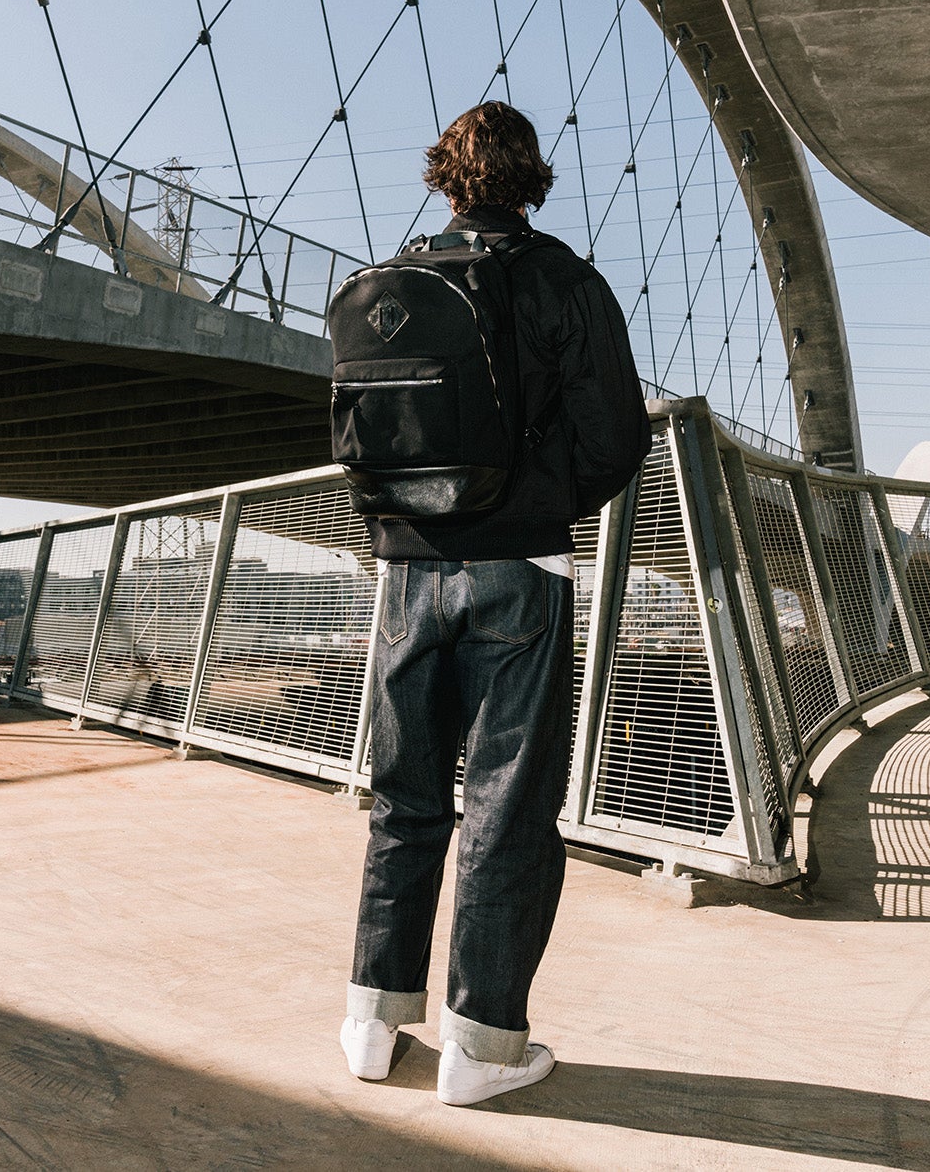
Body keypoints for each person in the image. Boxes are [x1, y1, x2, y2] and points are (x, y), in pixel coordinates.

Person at [337, 101, 650, 1106]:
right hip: (518, 569)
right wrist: (533, 502)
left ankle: (370, 1023)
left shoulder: (390, 285)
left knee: (404, 799)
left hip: (403, 573)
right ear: (530, 179)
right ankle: (481, 1046)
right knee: (505, 808)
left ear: (443, 177)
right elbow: (615, 439)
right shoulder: (563, 280)